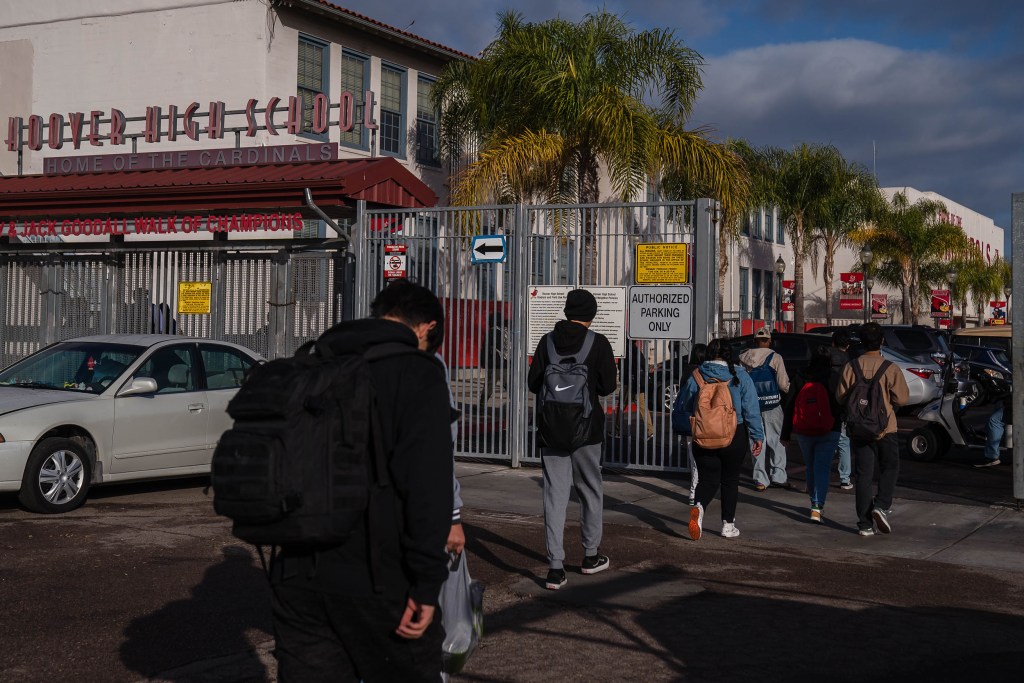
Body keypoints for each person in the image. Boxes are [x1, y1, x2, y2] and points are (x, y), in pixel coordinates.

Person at [269, 279, 454, 682]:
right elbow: (427, 487)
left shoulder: (312, 361)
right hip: (379, 578)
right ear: (425, 327)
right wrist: (426, 584)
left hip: (297, 574)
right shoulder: (415, 372)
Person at [527, 288, 617, 590]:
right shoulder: (598, 343)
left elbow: (533, 383)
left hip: (551, 430)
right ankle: (590, 556)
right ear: (591, 315)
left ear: (567, 312)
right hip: (586, 431)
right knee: (590, 490)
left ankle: (555, 567)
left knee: (554, 495)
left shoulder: (547, 342)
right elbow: (607, 388)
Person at [673, 339, 764, 540]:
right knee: (730, 480)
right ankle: (728, 525)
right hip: (734, 433)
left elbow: (684, 406)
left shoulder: (696, 376)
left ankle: (699, 507)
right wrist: (757, 436)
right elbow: (751, 410)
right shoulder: (740, 375)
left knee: (707, 479)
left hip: (703, 435)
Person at [836, 322, 909, 537]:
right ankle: (882, 505)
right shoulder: (890, 368)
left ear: (861, 341)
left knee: (863, 475)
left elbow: (840, 396)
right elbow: (902, 399)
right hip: (886, 428)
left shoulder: (852, 366)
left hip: (859, 428)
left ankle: (865, 524)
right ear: (882, 341)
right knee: (890, 467)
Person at [780, 345, 843, 523]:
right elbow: (840, 403)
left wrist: (785, 434)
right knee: (822, 467)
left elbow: (790, 404)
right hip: (830, 428)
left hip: (804, 428)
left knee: (810, 466)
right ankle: (816, 506)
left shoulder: (800, 376)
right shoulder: (833, 377)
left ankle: (813, 501)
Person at [739, 326, 792, 491]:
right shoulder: (776, 357)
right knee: (776, 441)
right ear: (769, 341)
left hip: (752, 406)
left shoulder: (744, 358)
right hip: (772, 405)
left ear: (755, 341)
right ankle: (778, 475)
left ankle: (761, 479)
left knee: (756, 440)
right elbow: (783, 385)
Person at [681, 343, 707, 506]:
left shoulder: (687, 371)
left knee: (693, 459)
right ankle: (695, 492)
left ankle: (693, 491)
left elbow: (684, 398)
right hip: (705, 420)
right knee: (703, 459)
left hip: (690, 419)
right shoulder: (705, 372)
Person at [830, 330, 853, 489]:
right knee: (844, 443)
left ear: (833, 343)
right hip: (842, 406)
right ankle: (845, 479)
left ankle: (820, 474)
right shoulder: (850, 363)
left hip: (824, 405)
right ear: (848, 345)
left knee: (824, 442)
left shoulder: (825, 358)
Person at [478, 310, 510, 410]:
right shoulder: (506, 332)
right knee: (509, 386)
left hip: (493, 365)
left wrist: (483, 363)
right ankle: (516, 406)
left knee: (488, 387)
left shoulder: (491, 332)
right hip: (505, 364)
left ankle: (481, 407)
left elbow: (485, 349)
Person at [625, 339, 655, 440]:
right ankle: (650, 430)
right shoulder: (637, 351)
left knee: (622, 405)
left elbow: (623, 368)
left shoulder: (625, 351)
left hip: (628, 382)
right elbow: (645, 366)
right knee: (642, 406)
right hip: (638, 383)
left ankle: (617, 430)